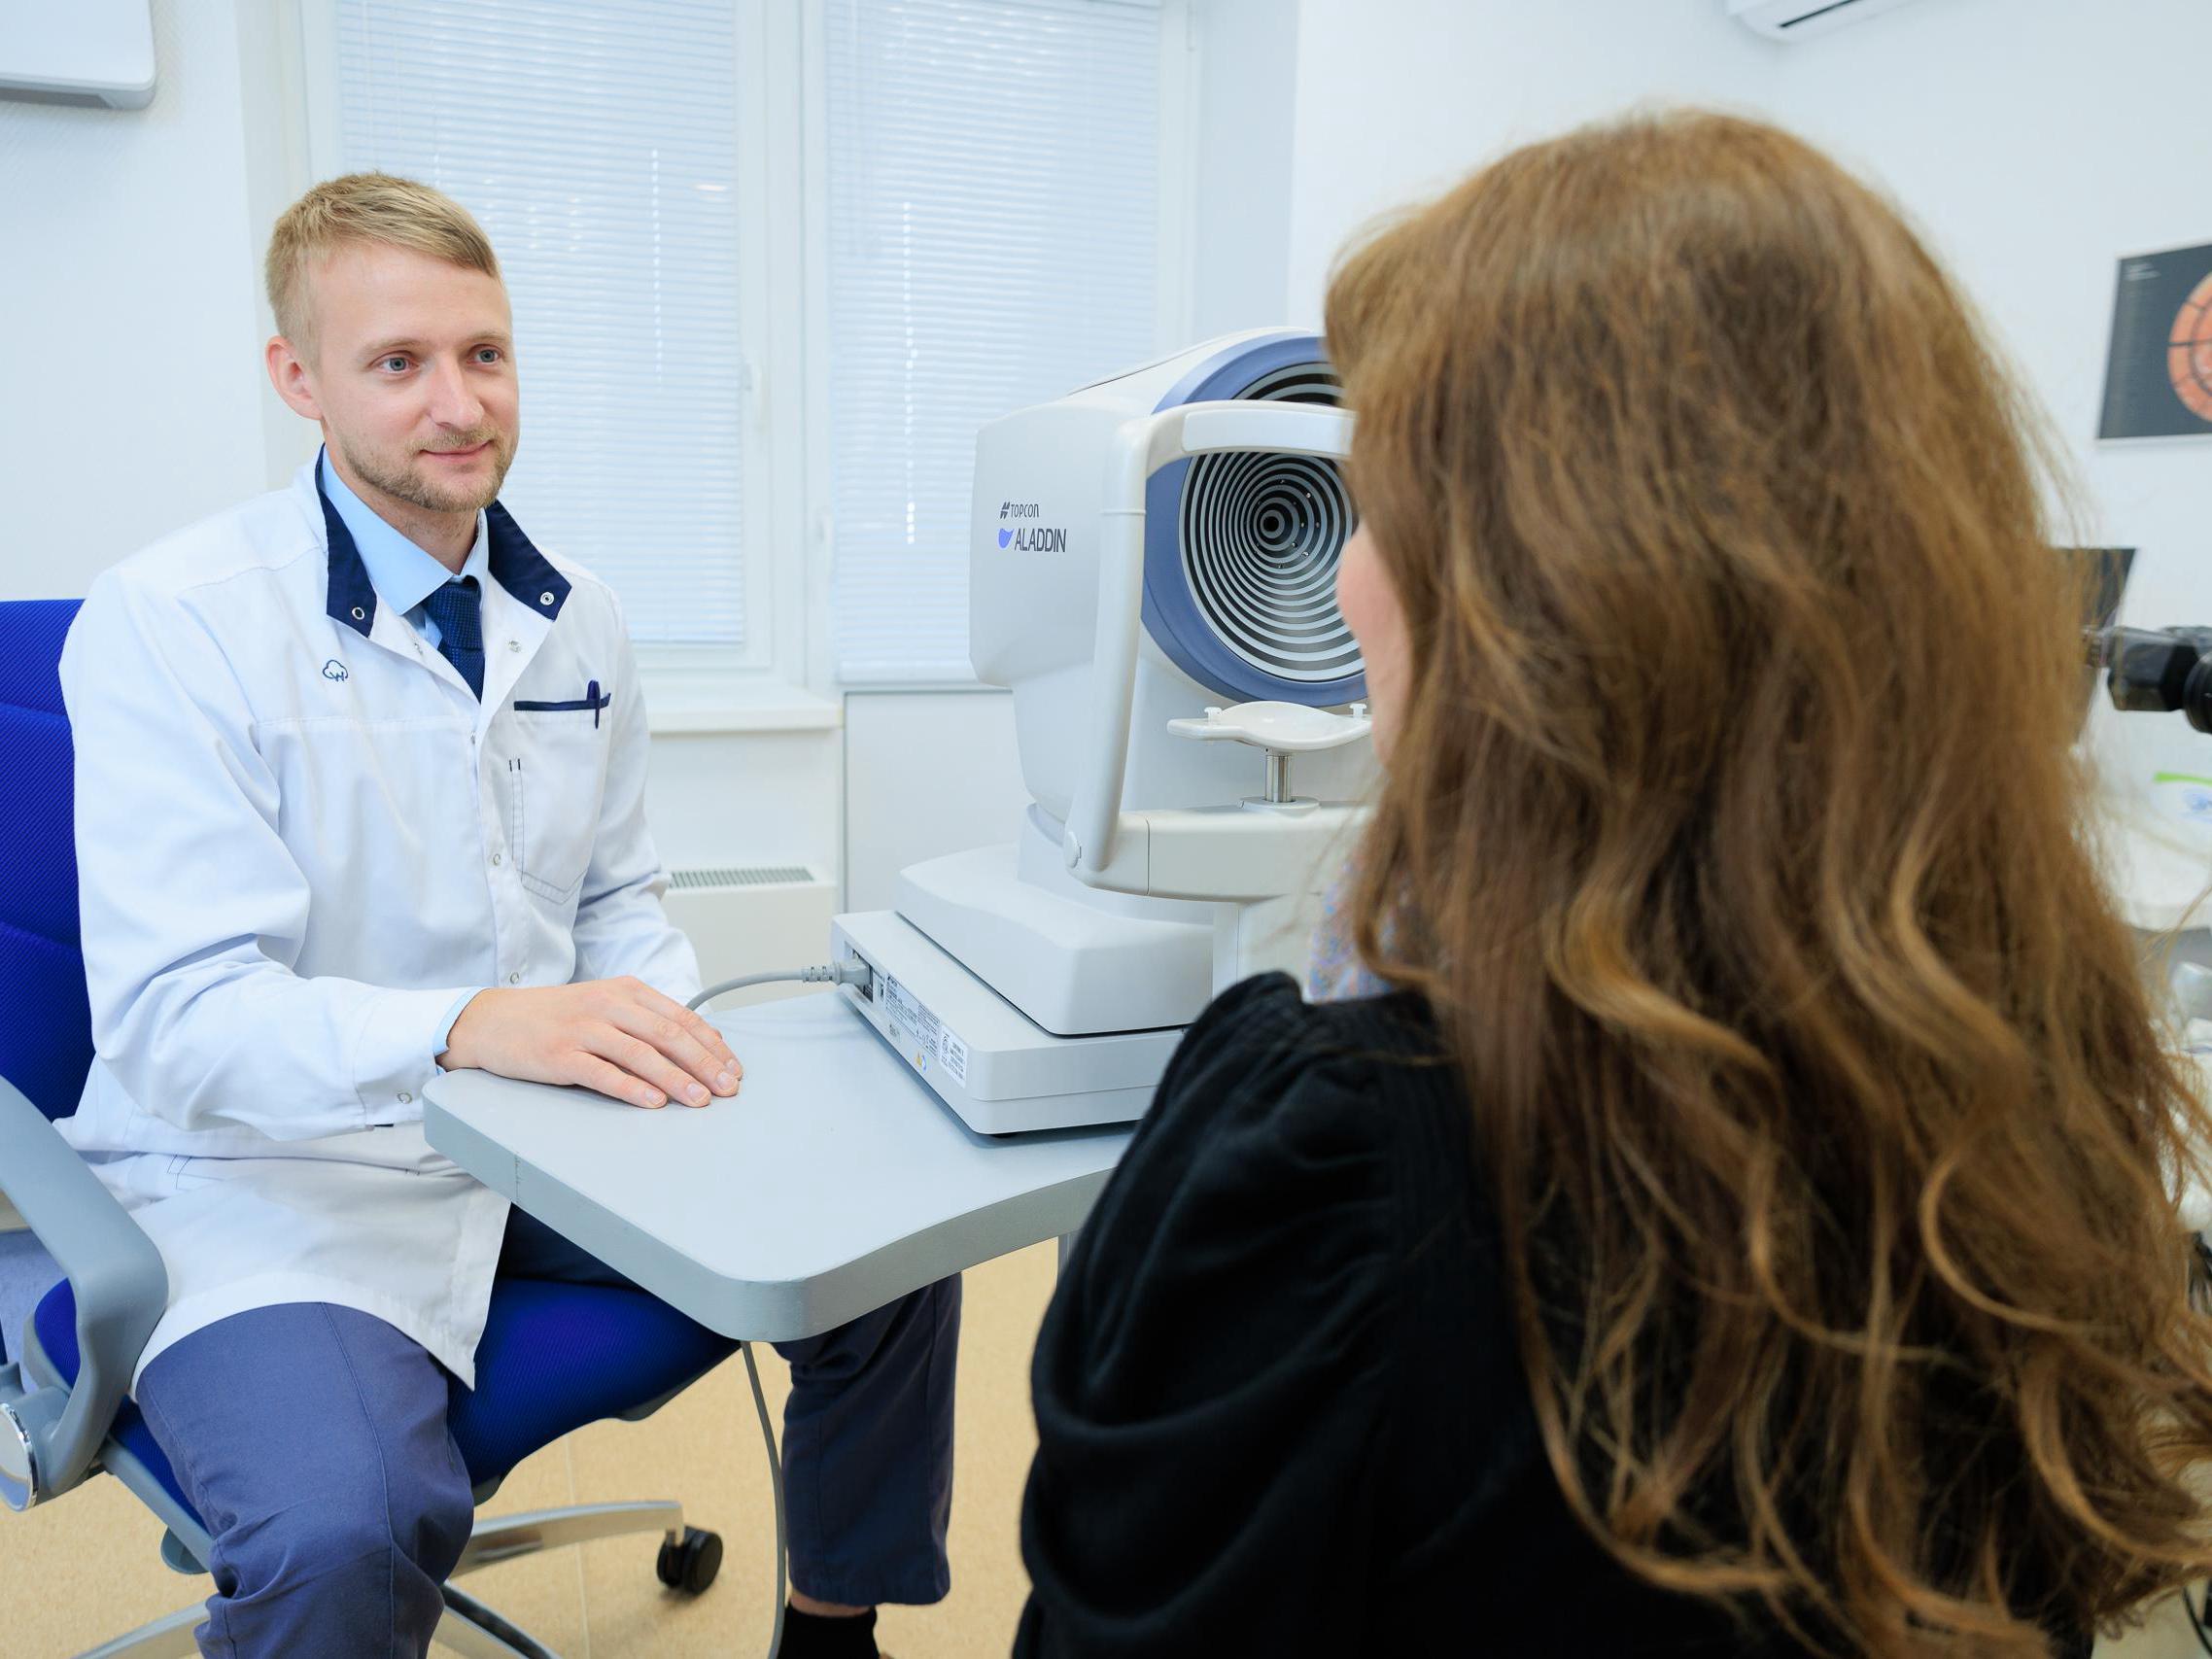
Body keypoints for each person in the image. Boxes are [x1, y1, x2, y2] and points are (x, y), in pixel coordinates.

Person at [1016, 112, 2212, 1657]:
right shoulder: (2043, 1082)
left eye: (1381, 506)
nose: (1344, 575)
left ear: (1539, 602)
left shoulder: (1331, 1154)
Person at [59, 173, 954, 1659]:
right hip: (274, 1183)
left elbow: (614, 897)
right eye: (397, 362)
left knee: (886, 1245)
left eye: (485, 353)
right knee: (344, 1529)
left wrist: (673, 1053)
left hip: (542, 1141)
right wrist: (473, 1027)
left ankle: (832, 1633)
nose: (458, 403)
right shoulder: (174, 621)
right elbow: (180, 1022)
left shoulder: (577, 612)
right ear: (299, 378)